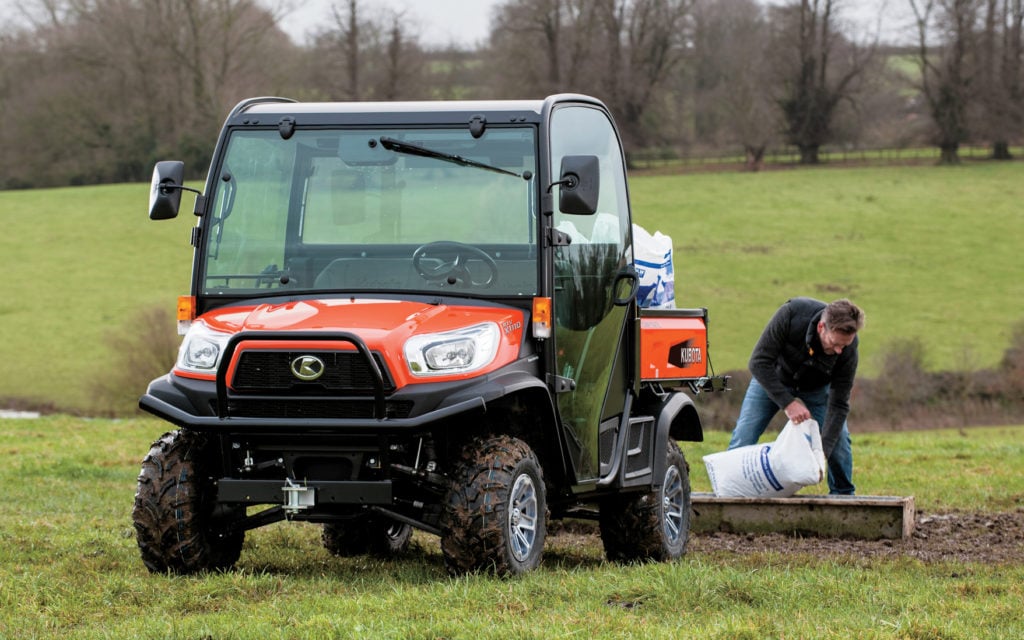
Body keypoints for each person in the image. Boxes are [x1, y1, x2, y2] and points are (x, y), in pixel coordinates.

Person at [727, 297, 865, 495]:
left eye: (844, 346)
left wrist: (822, 452)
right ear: (821, 327)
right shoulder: (792, 314)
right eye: (835, 343)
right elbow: (758, 362)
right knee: (744, 436)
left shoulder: (848, 349)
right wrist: (788, 403)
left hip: (818, 389)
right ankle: (730, 493)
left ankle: (843, 497)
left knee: (839, 441)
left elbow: (839, 404)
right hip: (773, 379)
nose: (838, 350)